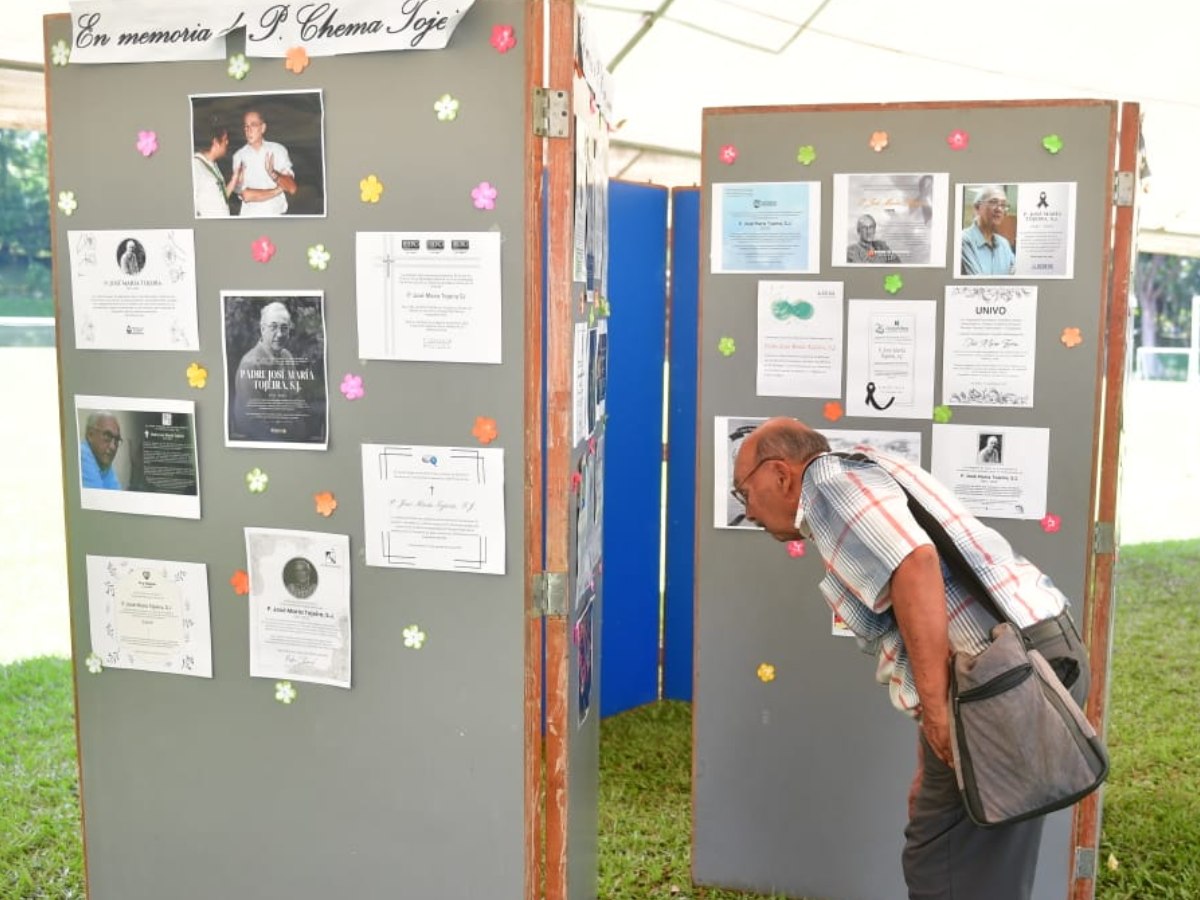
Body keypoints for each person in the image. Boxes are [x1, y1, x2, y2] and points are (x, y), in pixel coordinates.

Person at [732, 417, 1090, 900]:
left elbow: (914, 563)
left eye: (743, 492)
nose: (747, 510)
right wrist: (933, 738)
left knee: (943, 863)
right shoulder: (869, 467)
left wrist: (940, 717)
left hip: (1003, 674)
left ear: (780, 474)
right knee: (986, 857)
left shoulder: (829, 486)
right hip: (1033, 653)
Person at [232, 301, 300, 441]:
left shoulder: (287, 357)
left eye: (284, 328)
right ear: (262, 329)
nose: (280, 334)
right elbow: (251, 422)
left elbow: (296, 403)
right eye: (273, 327)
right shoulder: (249, 364)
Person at [232, 109, 297, 217]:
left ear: (263, 128)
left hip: (276, 216)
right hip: (249, 219)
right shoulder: (239, 156)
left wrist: (273, 173)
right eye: (246, 126)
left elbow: (292, 188)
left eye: (253, 125)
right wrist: (277, 190)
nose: (248, 130)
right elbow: (246, 195)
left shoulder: (278, 150)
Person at [192, 117, 243, 217]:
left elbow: (220, 200)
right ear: (215, 142)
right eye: (225, 139)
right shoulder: (195, 165)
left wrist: (234, 180)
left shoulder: (212, 164)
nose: (227, 142)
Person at [961, 185, 1016, 276]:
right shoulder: (963, 240)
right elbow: (979, 284)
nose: (999, 209)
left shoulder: (1004, 244)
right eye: (994, 202)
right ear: (977, 207)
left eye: (1003, 205)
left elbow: (1016, 276)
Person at [80, 412, 122, 490]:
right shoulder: (82, 455)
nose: (113, 447)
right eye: (107, 436)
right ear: (90, 434)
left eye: (116, 440)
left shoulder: (102, 461)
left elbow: (116, 493)